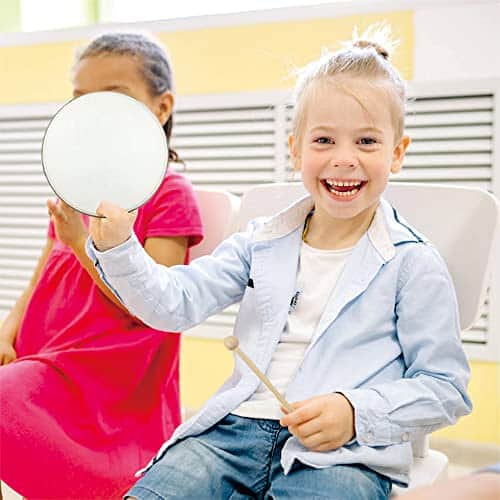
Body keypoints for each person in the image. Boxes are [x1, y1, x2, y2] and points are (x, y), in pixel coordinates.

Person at [86, 27, 472, 500]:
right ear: (295, 149)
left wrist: (355, 412)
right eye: (324, 140)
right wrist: (119, 248)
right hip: (231, 434)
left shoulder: (413, 263)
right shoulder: (260, 242)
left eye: (367, 142)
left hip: (345, 453)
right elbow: (173, 304)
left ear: (397, 153)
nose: (344, 159)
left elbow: (445, 387)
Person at [0, 33, 203, 499]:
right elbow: (43, 268)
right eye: (81, 101)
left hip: (104, 386)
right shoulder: (75, 187)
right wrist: (8, 327)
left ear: (161, 107)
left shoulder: (170, 195)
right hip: (42, 358)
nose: (94, 116)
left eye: (113, 98)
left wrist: (80, 242)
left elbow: (151, 304)